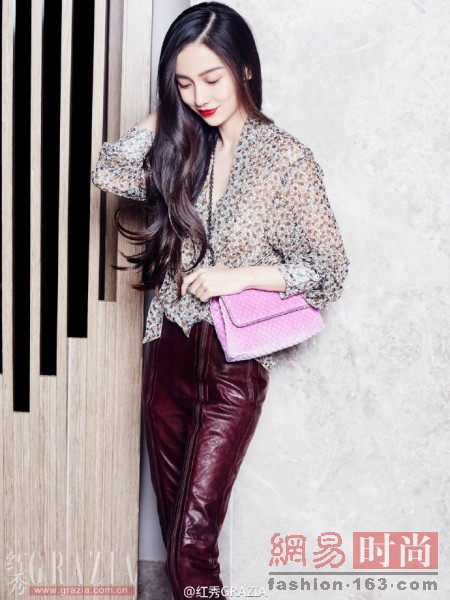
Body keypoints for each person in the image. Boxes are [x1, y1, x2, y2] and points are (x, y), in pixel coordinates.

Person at [91, 2, 350, 597]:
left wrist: (240, 276)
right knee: (176, 541)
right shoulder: (185, 146)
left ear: (245, 69)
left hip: (231, 365)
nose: (200, 96)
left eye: (212, 78)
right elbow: (109, 172)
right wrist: (165, 112)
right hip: (167, 349)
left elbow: (330, 270)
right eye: (184, 83)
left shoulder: (283, 159)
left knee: (193, 548)